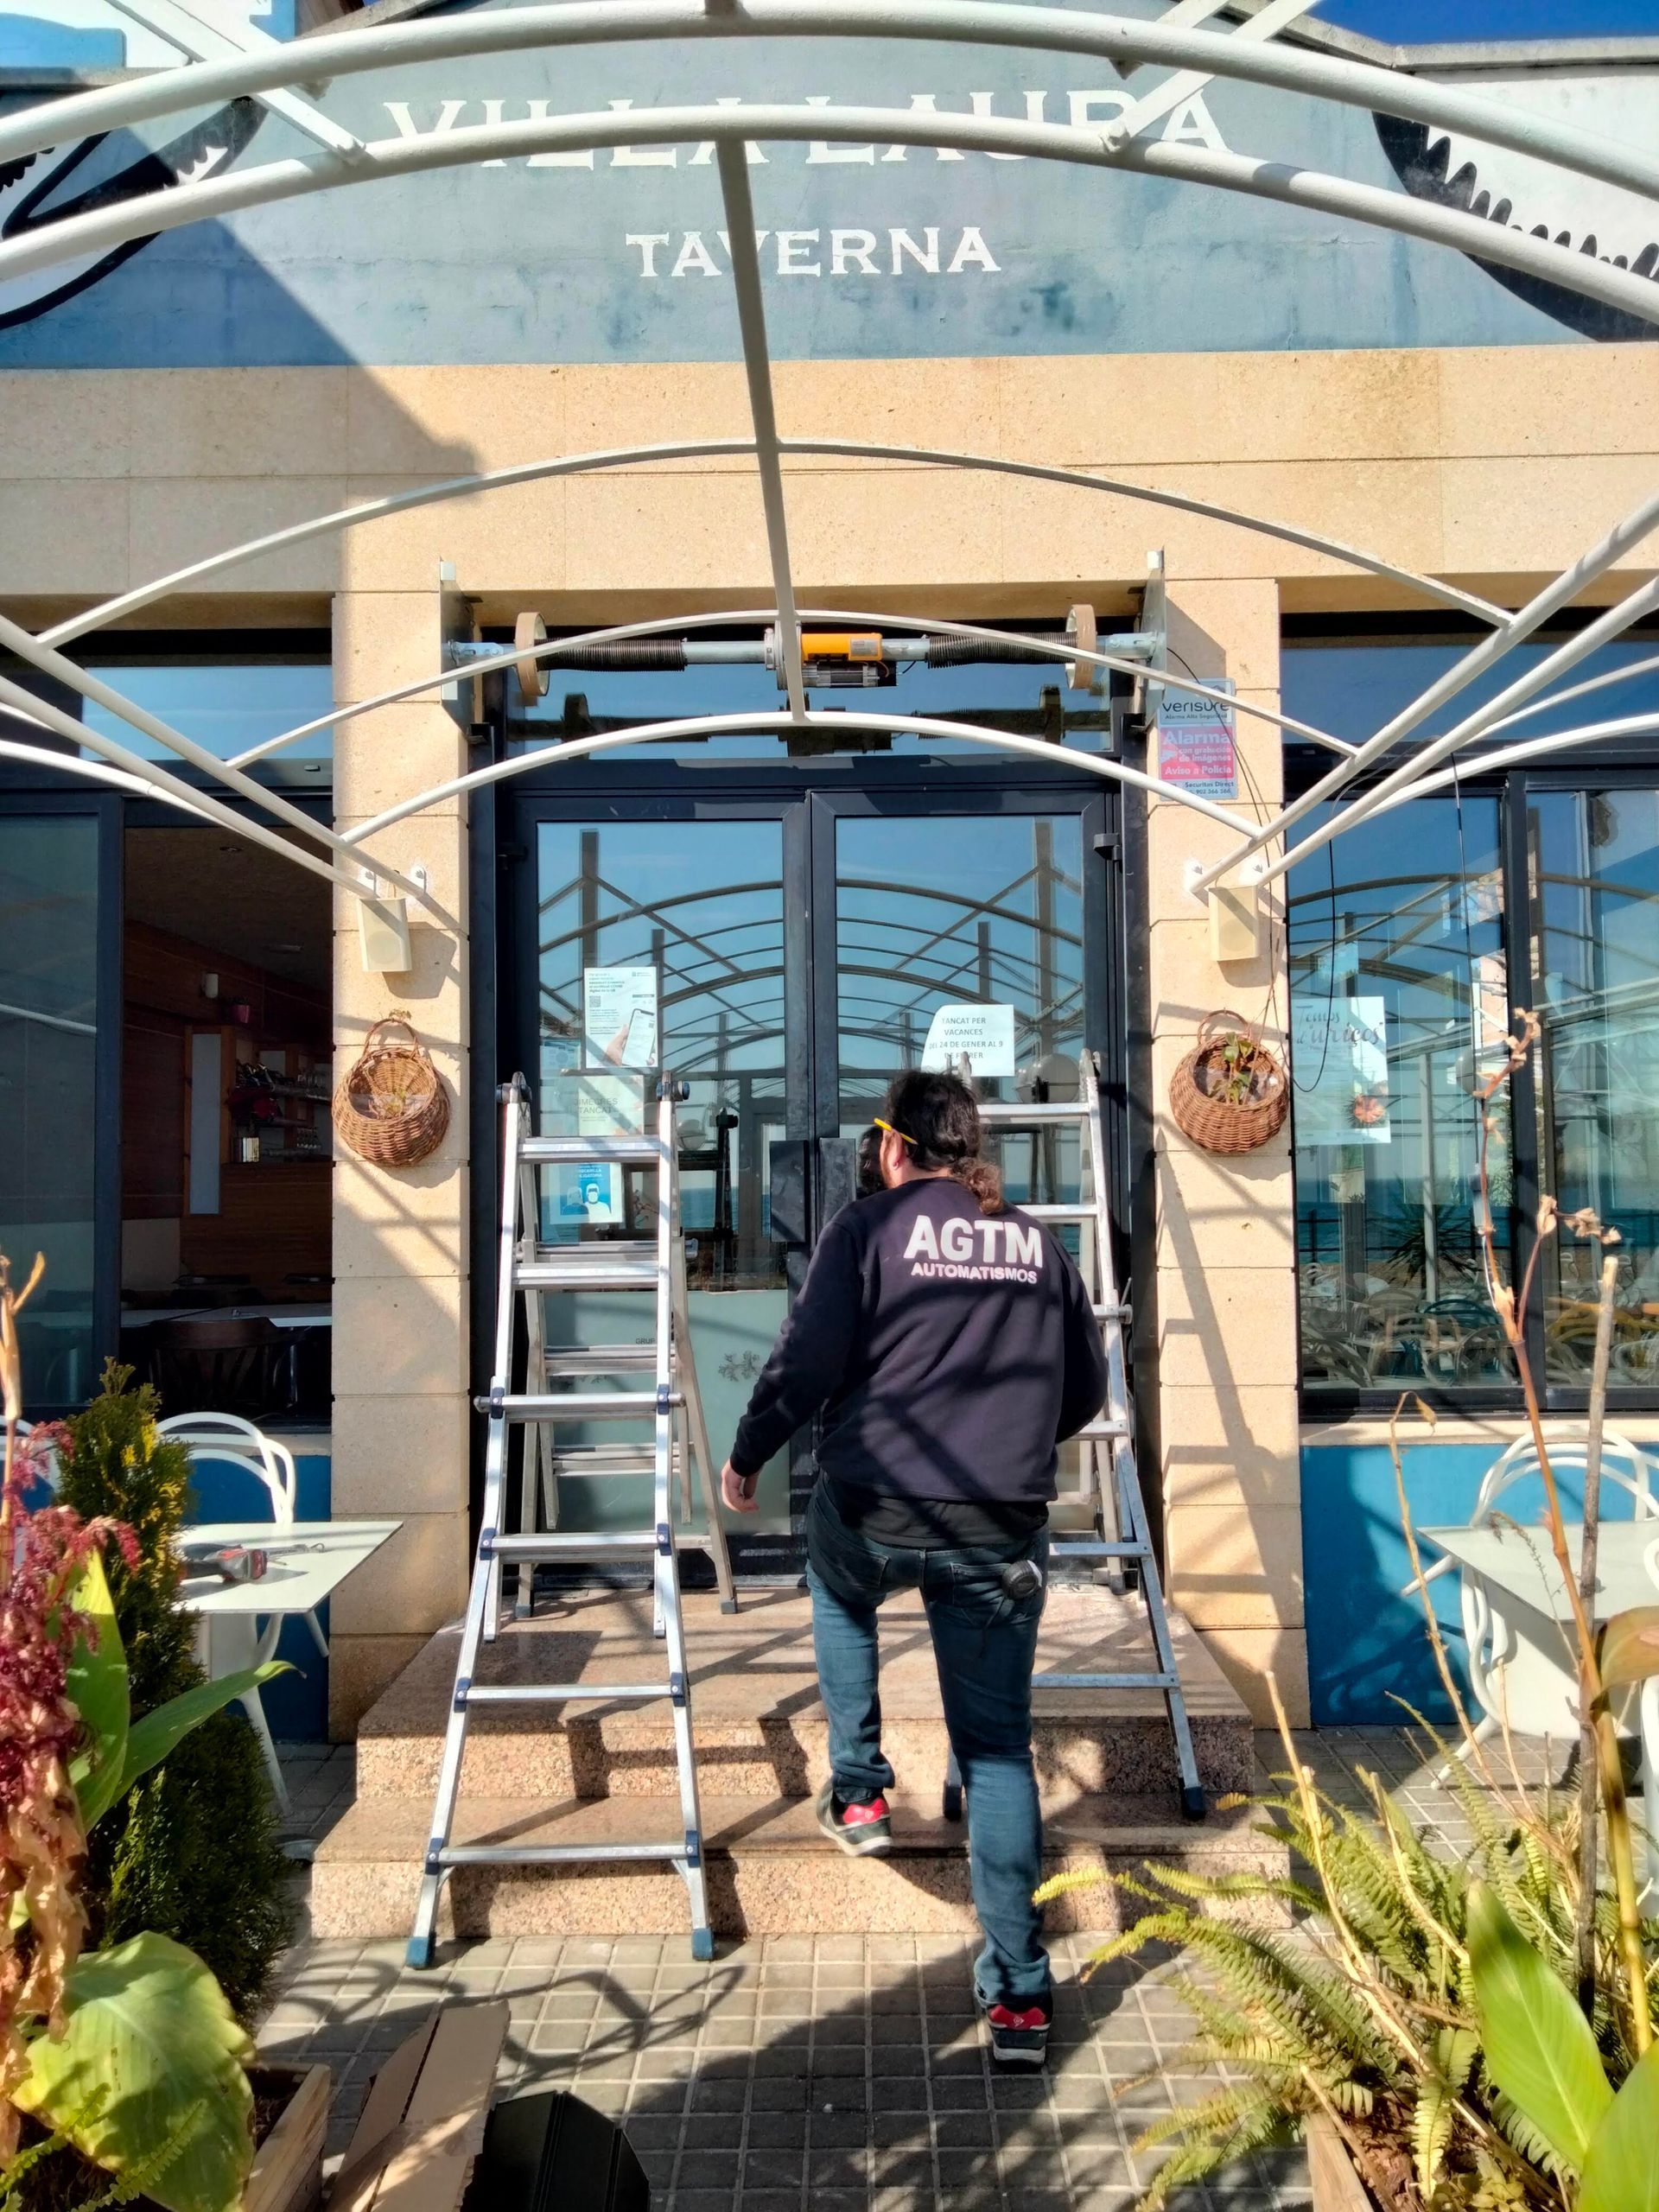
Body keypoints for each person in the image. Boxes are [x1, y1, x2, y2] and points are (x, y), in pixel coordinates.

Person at [720, 1068, 1108, 2067]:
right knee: (995, 1751)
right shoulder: (1036, 1242)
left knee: (838, 1581)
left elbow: (804, 1364)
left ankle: (858, 1790)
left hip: (879, 1507)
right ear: (968, 1150)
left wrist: (748, 1452)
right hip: (997, 1525)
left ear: (894, 1147)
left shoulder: (869, 1229)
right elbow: (1085, 1387)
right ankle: (1020, 1998)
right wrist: (1017, 1447)